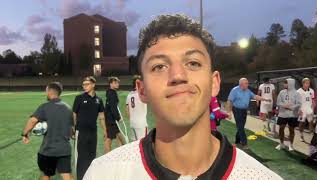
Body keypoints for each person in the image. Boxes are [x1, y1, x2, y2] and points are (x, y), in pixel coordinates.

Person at [84, 14, 281, 179]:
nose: (178, 76)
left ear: (214, 83)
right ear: (141, 90)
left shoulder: (260, 176)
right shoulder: (103, 173)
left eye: (193, 63)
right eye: (159, 66)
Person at [22, 82, 73, 180]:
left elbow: (32, 121)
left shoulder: (45, 106)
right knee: (67, 175)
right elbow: (71, 130)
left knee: (46, 175)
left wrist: (24, 134)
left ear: (49, 92)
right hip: (65, 149)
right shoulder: (68, 108)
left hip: (48, 150)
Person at [72, 76, 106, 180]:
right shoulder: (79, 98)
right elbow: (74, 114)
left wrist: (105, 130)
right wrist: (73, 128)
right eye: (83, 84)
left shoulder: (98, 100)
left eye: (87, 84)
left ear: (93, 85)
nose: (84, 86)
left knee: (92, 156)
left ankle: (90, 177)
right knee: (81, 158)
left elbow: (101, 117)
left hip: (93, 132)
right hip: (81, 132)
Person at [226, 78, 271, 149]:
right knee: (240, 127)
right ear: (241, 84)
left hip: (244, 111)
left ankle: (237, 142)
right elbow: (229, 101)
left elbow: (255, 96)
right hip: (237, 110)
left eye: (247, 83)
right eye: (246, 83)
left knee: (240, 127)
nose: (248, 84)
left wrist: (265, 99)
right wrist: (229, 112)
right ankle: (244, 144)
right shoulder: (234, 90)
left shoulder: (247, 90)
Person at [275, 78, 301, 151]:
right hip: (283, 114)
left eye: (286, 83)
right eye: (284, 83)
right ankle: (281, 143)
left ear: (291, 83)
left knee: (292, 130)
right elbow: (278, 102)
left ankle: (291, 145)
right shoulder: (281, 92)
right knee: (281, 128)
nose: (284, 84)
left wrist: (292, 107)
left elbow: (299, 103)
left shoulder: (297, 93)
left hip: (293, 114)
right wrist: (284, 106)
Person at [104, 76, 126, 153]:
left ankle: (121, 152)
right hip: (111, 119)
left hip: (110, 118)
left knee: (117, 136)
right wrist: (118, 117)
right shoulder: (111, 93)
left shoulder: (111, 92)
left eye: (118, 82)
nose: (117, 84)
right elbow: (113, 107)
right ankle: (107, 156)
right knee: (109, 138)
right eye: (115, 83)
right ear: (111, 84)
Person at [126, 75, 148, 141]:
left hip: (132, 123)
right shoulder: (142, 93)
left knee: (134, 143)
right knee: (143, 144)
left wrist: (132, 119)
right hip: (141, 123)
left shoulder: (129, 94)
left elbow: (127, 110)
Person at [297, 78, 315, 142]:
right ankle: (301, 135)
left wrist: (313, 109)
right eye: (306, 83)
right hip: (302, 109)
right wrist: (299, 110)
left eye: (309, 83)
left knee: (311, 122)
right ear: (303, 83)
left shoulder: (312, 91)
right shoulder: (299, 91)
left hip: (309, 109)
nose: (308, 84)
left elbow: (313, 100)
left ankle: (312, 137)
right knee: (302, 123)